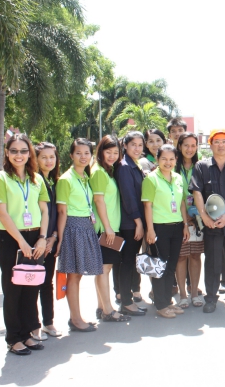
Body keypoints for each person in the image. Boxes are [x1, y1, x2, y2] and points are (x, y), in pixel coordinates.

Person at [0, 134, 50, 355]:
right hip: (11, 238)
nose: (19, 155)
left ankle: (27, 334)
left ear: (29, 153)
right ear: (7, 153)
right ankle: (13, 338)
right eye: (14, 151)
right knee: (13, 289)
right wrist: (21, 242)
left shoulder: (37, 179)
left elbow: (44, 210)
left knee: (31, 288)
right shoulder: (0, 178)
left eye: (23, 151)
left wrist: (42, 237)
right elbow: (2, 213)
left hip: (35, 237)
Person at [190, 129, 225, 313]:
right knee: (213, 262)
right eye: (217, 141)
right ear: (211, 144)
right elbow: (197, 192)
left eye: (224, 141)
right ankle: (211, 298)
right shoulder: (201, 167)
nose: (221, 145)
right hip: (211, 224)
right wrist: (204, 216)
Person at [56, 138, 104, 332]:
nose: (83, 157)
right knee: (73, 276)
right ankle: (75, 319)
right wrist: (60, 239)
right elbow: (62, 211)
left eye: (87, 153)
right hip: (73, 228)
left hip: (86, 226)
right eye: (78, 153)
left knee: (79, 275)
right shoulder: (66, 179)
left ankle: (77, 317)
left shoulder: (85, 177)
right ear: (71, 155)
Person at [142, 145, 190, 318]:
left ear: (176, 160)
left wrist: (185, 225)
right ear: (157, 159)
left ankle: (168, 301)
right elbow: (147, 206)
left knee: (171, 266)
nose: (168, 162)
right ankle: (161, 305)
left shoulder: (178, 177)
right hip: (159, 228)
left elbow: (182, 203)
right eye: (164, 159)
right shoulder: (151, 179)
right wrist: (150, 230)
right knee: (159, 267)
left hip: (177, 227)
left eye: (171, 159)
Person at [90, 135, 130, 322]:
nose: (112, 156)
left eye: (116, 152)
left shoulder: (108, 171)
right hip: (105, 229)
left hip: (111, 227)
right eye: (109, 152)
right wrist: (107, 228)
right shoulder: (99, 172)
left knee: (104, 268)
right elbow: (99, 201)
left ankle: (101, 307)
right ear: (100, 151)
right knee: (104, 268)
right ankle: (108, 310)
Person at [115, 131, 148, 316]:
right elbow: (129, 198)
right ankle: (126, 302)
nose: (137, 148)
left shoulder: (135, 165)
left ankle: (127, 299)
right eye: (133, 144)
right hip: (130, 224)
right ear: (125, 145)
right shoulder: (125, 166)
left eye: (140, 145)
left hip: (135, 222)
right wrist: (138, 223)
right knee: (127, 262)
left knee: (131, 261)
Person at [31, 142, 62, 340]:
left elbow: (57, 213)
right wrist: (43, 239)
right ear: (35, 159)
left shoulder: (54, 182)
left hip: (51, 240)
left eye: (52, 157)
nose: (49, 161)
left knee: (47, 283)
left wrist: (54, 237)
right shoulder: (33, 181)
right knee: (33, 282)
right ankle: (33, 325)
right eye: (44, 157)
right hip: (36, 240)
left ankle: (48, 323)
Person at [174, 132, 204, 308]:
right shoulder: (172, 166)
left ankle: (194, 293)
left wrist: (197, 214)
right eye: (186, 145)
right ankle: (182, 295)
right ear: (179, 146)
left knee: (195, 255)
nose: (190, 149)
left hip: (197, 219)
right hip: (178, 218)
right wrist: (184, 217)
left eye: (193, 145)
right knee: (180, 256)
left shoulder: (201, 166)